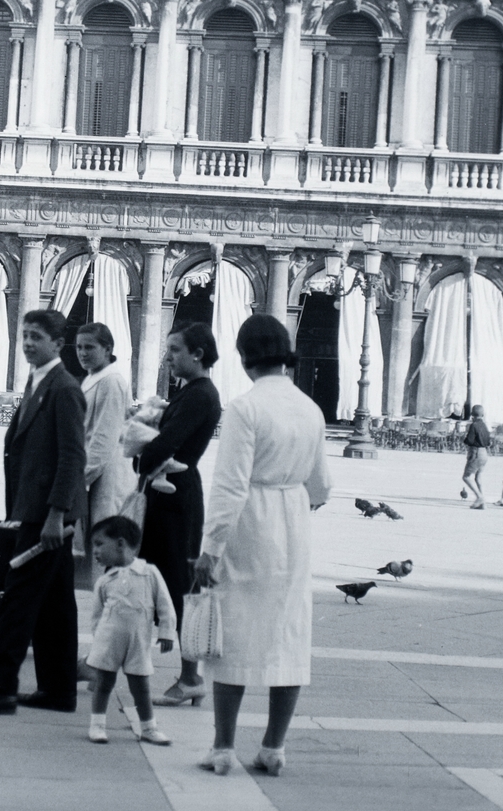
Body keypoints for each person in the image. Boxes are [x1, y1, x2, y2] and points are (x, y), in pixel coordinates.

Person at [192, 314, 331, 778]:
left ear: (244, 355)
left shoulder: (245, 408)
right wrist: (293, 505)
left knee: (233, 633)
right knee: (288, 635)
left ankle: (223, 746)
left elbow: (230, 487)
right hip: (292, 525)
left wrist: (209, 549)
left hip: (250, 524)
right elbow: (323, 486)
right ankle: (273, 747)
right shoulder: (310, 409)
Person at [0, 310, 87, 716]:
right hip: (36, 509)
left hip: (46, 515)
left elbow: (72, 457)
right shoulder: (39, 381)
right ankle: (59, 689)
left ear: (57, 344)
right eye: (25, 335)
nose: (28, 343)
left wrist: (55, 514)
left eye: (37, 337)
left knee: (18, 598)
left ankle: (0, 687)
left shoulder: (63, 388)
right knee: (56, 605)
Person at [137, 323, 222, 708]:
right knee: (158, 579)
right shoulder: (192, 393)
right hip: (171, 494)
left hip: (177, 498)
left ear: (197, 354)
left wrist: (139, 450)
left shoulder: (200, 396)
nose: (168, 357)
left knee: (177, 584)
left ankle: (190, 678)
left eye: (174, 350)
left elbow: (164, 446)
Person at [84, 515, 175, 747]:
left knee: (141, 687)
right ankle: (97, 725)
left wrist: (166, 631)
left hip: (138, 642)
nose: (95, 551)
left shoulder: (149, 573)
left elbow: (165, 605)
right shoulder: (104, 581)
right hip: (109, 641)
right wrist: (98, 642)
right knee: (103, 683)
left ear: (121, 544)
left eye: (99, 543)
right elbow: (96, 615)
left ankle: (149, 728)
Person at [76, 323, 132, 526]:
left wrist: (80, 480)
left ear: (107, 349)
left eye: (89, 347)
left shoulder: (111, 381)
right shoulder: (92, 378)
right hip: (94, 472)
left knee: (104, 538)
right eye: (79, 347)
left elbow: (104, 438)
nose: (82, 353)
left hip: (108, 475)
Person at [461, 405, 492, 508]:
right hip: (484, 453)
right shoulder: (484, 425)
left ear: (472, 415)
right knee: (478, 478)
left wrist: (464, 439)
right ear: (482, 415)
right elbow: (488, 441)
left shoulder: (473, 425)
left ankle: (479, 497)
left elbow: (469, 440)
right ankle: (483, 503)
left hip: (476, 452)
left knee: (466, 477)